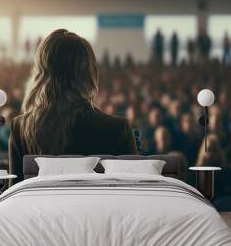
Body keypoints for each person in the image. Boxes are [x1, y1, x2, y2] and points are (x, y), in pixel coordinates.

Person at [9, 29, 138, 185]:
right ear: (89, 73)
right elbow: (130, 196)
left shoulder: (20, 128)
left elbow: (14, 197)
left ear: (41, 72)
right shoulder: (118, 129)